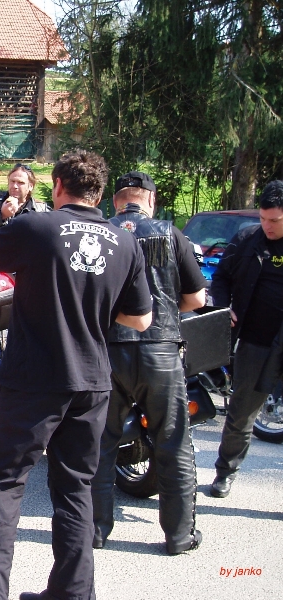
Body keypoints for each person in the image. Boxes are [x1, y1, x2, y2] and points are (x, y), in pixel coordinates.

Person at [0, 150, 152, 600]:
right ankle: (73, 594)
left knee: (0, 483)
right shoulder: (125, 243)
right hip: (92, 382)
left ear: (58, 186)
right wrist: (92, 304)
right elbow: (141, 319)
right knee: (75, 488)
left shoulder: (37, 227)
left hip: (35, 379)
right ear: (100, 194)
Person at [90, 171, 207, 556]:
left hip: (108, 352)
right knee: (173, 443)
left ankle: (96, 531)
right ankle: (179, 536)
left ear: (116, 201)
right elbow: (197, 299)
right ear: (151, 201)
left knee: (101, 444)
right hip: (160, 350)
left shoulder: (101, 233)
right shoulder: (171, 234)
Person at [209, 180, 283, 497]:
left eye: (275, 220)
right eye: (263, 218)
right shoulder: (247, 239)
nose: (267, 226)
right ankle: (225, 472)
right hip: (255, 343)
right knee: (241, 414)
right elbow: (221, 278)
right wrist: (223, 308)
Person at [0, 163, 50, 236]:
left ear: (30, 186)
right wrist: (2, 215)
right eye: (12, 181)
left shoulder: (41, 209)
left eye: (20, 183)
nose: (15, 186)